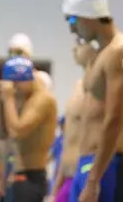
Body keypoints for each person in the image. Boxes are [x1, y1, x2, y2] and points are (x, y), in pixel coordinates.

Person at [62, 0, 123, 202]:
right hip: (88, 162)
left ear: (87, 15)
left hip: (104, 166)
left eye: (72, 19)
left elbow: (114, 119)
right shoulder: (102, 54)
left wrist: (93, 181)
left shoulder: (121, 50)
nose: (71, 28)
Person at [0, 56, 57, 202]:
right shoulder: (25, 97)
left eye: (15, 85)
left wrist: (9, 98)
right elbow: (4, 133)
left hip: (32, 178)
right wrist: (2, 102)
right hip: (18, 174)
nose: (14, 90)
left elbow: (18, 132)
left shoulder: (43, 100)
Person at [49, 39, 96, 202]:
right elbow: (69, 139)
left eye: (80, 42)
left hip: (87, 172)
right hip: (68, 177)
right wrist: (56, 188)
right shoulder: (78, 86)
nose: (73, 48)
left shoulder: (101, 88)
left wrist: (92, 180)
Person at [49, 116, 65, 194]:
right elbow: (51, 155)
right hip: (57, 173)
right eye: (60, 125)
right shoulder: (58, 140)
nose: (61, 127)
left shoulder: (73, 141)